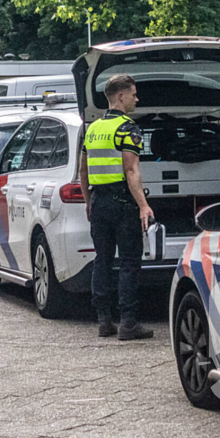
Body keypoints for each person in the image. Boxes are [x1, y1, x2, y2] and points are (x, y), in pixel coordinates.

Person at [79, 74, 155, 341]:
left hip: (99, 201)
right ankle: (129, 323)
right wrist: (143, 206)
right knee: (129, 263)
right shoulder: (128, 128)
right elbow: (131, 170)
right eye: (133, 94)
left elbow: (83, 170)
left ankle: (103, 321)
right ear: (120, 96)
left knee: (102, 259)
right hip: (122, 202)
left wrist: (89, 202)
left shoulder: (93, 128)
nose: (137, 98)